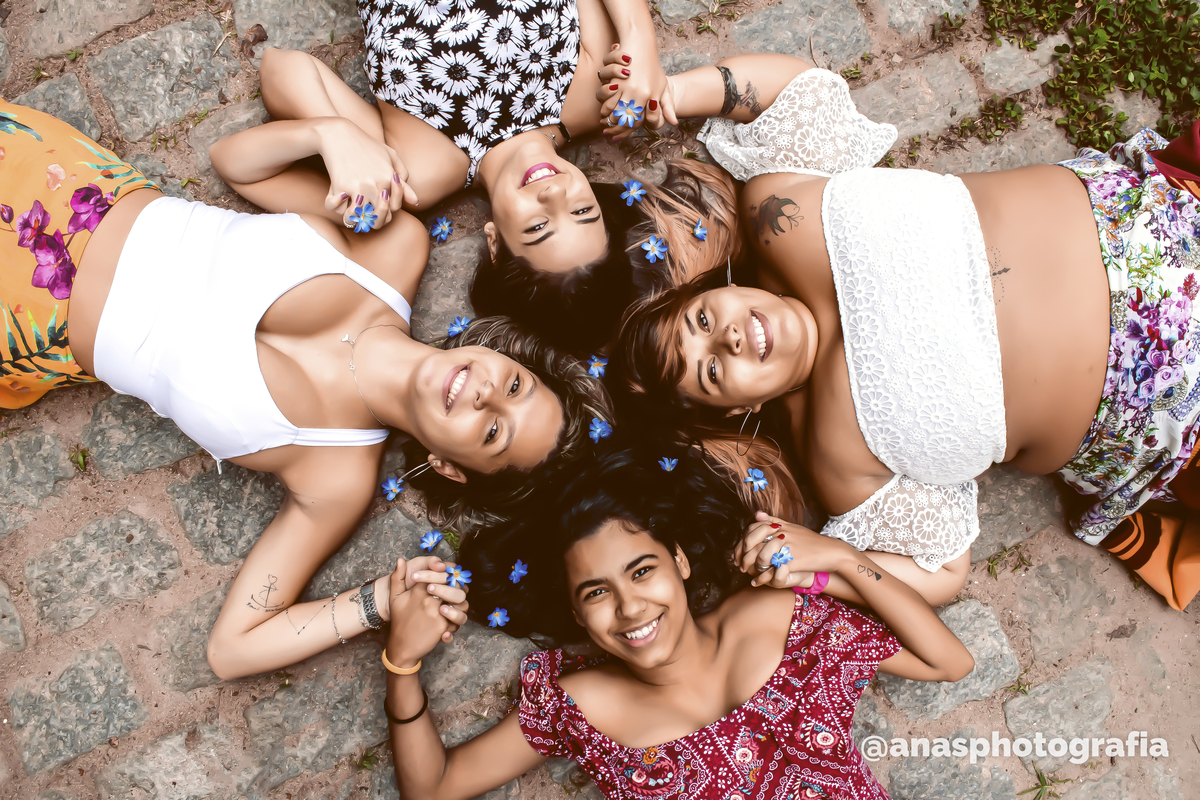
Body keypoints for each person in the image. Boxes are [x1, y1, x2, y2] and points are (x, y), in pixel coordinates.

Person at [0, 100, 611, 680]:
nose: (485, 393)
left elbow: (232, 648)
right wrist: (328, 134)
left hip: (24, 317)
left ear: (450, 468)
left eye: (494, 429)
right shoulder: (395, 250)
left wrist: (377, 604)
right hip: (59, 177)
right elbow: (237, 161)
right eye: (513, 383)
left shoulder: (335, 475)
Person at [611, 55, 1200, 610]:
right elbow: (942, 572)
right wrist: (829, 562)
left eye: (703, 319)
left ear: (720, 287)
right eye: (713, 371)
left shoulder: (780, 217)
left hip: (1163, 227)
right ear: (742, 407)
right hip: (1172, 397)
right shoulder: (838, 457)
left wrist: (673, 93)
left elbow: (796, 92)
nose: (729, 339)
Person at [377, 445, 973, 800]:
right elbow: (433, 789)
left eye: (641, 572)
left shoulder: (781, 621)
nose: (631, 608)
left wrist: (843, 558)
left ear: (680, 562)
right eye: (596, 593)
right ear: (580, 617)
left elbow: (947, 661)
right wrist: (401, 665)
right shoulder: (581, 708)